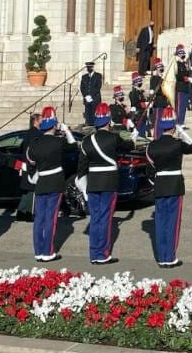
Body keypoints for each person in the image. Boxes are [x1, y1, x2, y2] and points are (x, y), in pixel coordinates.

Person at [78, 103, 135, 264]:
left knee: (95, 218)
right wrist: (132, 133)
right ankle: (102, 254)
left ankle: (94, 253)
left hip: (93, 183)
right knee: (105, 218)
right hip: (109, 182)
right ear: (108, 121)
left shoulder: (86, 141)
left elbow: (81, 168)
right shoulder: (113, 138)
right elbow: (128, 146)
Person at [145, 106, 192, 267]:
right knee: (173, 222)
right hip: (174, 185)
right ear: (173, 126)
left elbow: (150, 168)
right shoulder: (178, 144)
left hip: (160, 184)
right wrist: (182, 133)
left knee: (160, 222)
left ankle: (161, 257)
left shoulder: (152, 146)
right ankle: (170, 257)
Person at [26, 106, 77, 261]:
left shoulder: (34, 143)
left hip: (41, 181)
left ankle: (38, 250)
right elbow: (74, 146)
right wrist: (67, 131)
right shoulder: (58, 141)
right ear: (54, 125)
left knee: (39, 218)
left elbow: (31, 160)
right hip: (55, 182)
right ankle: (48, 251)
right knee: (50, 218)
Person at [16, 112, 42, 220]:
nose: (43, 121)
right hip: (32, 166)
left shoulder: (29, 133)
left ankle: (22, 213)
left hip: (26, 165)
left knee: (28, 192)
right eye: (41, 119)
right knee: (31, 191)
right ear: (35, 121)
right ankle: (27, 214)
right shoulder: (36, 134)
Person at [173, 44, 192, 127]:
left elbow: (187, 73)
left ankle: (182, 122)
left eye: (183, 53)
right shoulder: (176, 63)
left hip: (185, 87)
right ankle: (178, 122)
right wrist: (187, 79)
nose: (182, 54)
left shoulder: (184, 63)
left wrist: (188, 68)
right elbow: (178, 76)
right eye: (180, 53)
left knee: (183, 106)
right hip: (180, 87)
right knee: (179, 106)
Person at [79, 61, 103, 127]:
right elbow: (82, 87)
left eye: (89, 67)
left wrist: (91, 96)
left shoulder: (98, 75)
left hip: (95, 98)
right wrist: (86, 96)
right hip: (87, 99)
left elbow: (98, 87)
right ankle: (88, 127)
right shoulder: (84, 77)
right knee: (88, 114)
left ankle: (95, 126)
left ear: (92, 67)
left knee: (94, 114)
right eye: (87, 67)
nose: (88, 69)